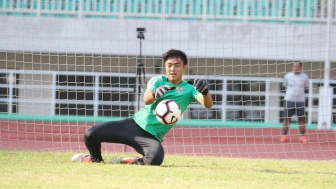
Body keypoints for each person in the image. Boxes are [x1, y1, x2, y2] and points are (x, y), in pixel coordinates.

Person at [72, 49, 213, 165]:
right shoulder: (157, 80)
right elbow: (146, 99)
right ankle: (95, 159)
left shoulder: (189, 88)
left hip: (151, 137)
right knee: (91, 134)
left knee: (156, 159)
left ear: (184, 67)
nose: (172, 68)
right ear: (165, 66)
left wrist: (205, 92)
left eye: (177, 65)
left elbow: (208, 104)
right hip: (133, 125)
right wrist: (156, 93)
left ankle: (126, 161)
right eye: (169, 65)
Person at [280, 61, 309, 143]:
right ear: (292, 67)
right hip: (289, 100)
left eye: (298, 66)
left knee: (302, 119)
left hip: (300, 101)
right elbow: (284, 86)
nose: (296, 68)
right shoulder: (288, 76)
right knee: (286, 119)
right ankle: (284, 136)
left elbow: (306, 87)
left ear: (300, 67)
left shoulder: (304, 76)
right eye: (294, 66)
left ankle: (303, 136)